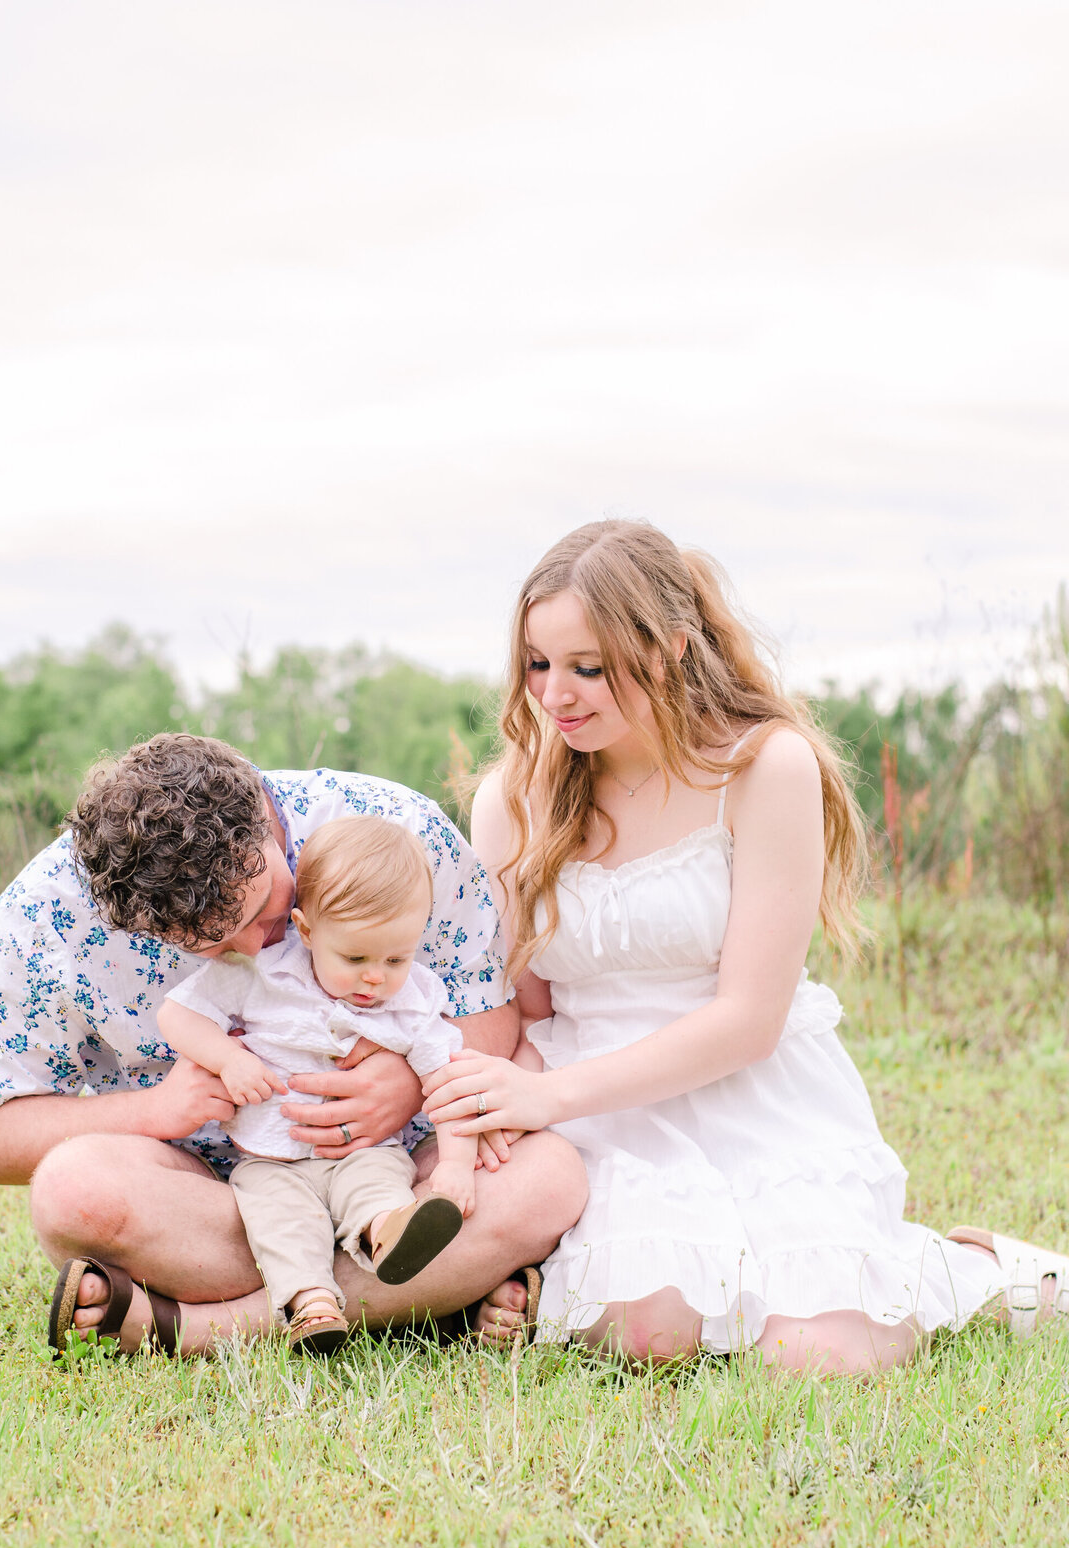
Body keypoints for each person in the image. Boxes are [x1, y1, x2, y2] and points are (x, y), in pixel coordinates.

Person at [425, 519, 1069, 1370]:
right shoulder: (513, 798)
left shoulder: (768, 768)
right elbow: (528, 1010)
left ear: (669, 650)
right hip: (599, 1110)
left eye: (588, 666)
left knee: (817, 1354)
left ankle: (978, 1270)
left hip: (753, 1090)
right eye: (539, 665)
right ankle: (539, 1280)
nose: (556, 694)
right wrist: (509, 1102)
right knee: (651, 1333)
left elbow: (750, 1021)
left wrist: (549, 1098)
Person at [0, 735, 587, 1354]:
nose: (257, 949)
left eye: (266, 913)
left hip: (392, 1170)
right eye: (212, 946)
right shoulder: (45, 917)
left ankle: (191, 1329)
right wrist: (155, 1111)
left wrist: (406, 1083)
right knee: (71, 1190)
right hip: (205, 1202)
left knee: (549, 1179)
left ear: (266, 817)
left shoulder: (395, 834)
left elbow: (493, 1017)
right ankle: (432, 1293)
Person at [155, 817, 477, 1354]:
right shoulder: (259, 974)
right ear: (306, 931)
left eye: (397, 958)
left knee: (378, 1186)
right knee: (277, 1218)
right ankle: (311, 1305)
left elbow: (448, 1081)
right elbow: (179, 1015)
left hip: (364, 1151)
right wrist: (227, 1059)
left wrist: (456, 1166)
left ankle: (391, 1233)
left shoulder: (415, 999)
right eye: (355, 958)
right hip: (271, 1160)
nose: (376, 977)